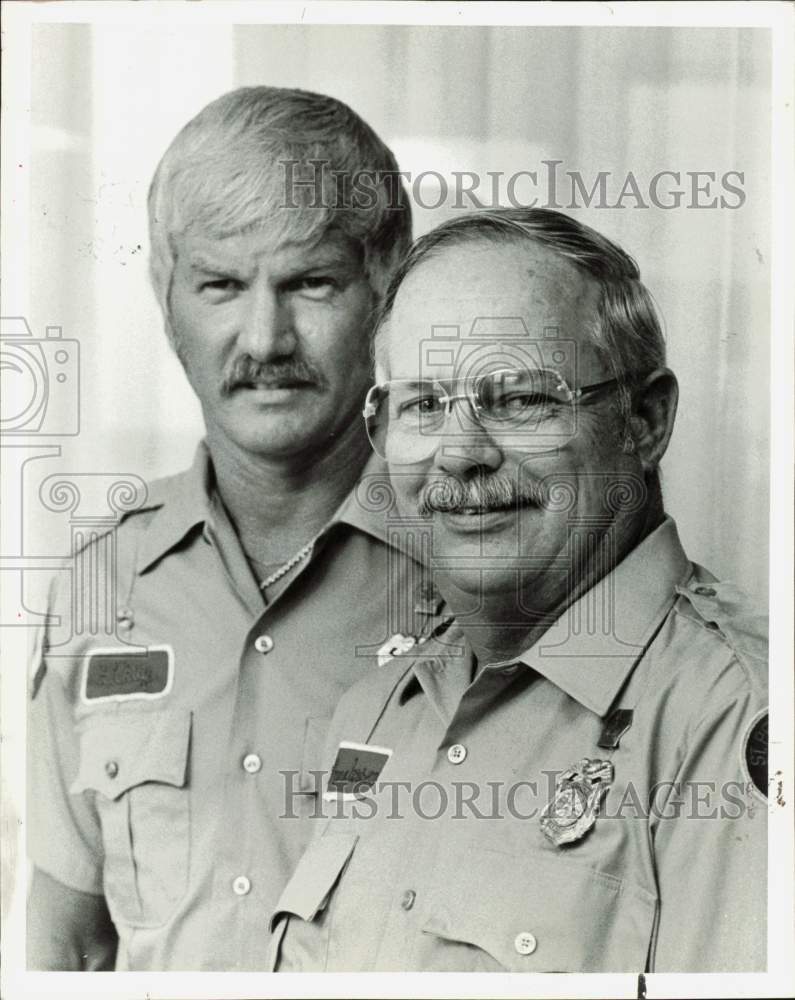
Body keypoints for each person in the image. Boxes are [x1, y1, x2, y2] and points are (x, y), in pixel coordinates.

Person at [268, 208, 768, 973]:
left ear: (643, 419)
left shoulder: (736, 720)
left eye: (521, 399)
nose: (461, 454)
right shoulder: (374, 711)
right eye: (424, 405)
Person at [27, 86, 425, 970]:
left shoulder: (480, 573)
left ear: (385, 290)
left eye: (310, 282)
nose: (264, 338)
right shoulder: (103, 582)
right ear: (166, 300)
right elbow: (68, 945)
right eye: (220, 284)